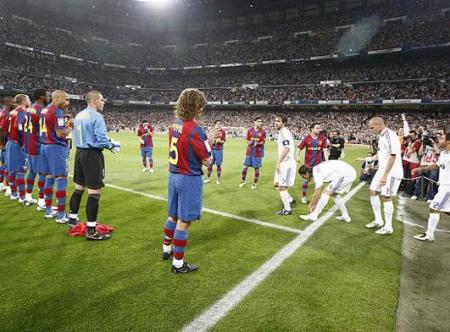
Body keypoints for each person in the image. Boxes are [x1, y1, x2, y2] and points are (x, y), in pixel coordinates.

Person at [161, 88, 211, 274]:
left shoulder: (174, 125)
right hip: (189, 177)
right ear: (196, 107)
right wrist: (210, 142)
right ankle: (178, 263)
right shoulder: (196, 130)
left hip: (173, 175)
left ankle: (166, 249)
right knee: (184, 221)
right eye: (201, 107)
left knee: (172, 215)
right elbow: (207, 160)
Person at [68, 90, 120, 240]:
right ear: (95, 101)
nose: (103, 102)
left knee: (79, 189)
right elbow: (102, 140)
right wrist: (112, 146)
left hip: (79, 153)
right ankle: (91, 231)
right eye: (102, 100)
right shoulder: (96, 116)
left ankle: (72, 222)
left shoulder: (79, 115)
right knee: (94, 192)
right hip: (91, 155)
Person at [356, 117, 404, 235]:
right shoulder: (382, 136)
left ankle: (388, 227)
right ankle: (378, 220)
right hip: (383, 171)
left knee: (386, 196)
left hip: (391, 172)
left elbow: (393, 156)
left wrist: (385, 175)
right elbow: (380, 155)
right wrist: (365, 159)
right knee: (373, 191)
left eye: (372, 127)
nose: (370, 130)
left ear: (378, 125)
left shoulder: (390, 135)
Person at [40, 90, 72, 223]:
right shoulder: (58, 112)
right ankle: (60, 215)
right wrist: (70, 126)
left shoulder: (45, 110)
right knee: (61, 178)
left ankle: (48, 210)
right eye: (66, 99)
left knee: (49, 176)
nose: (67, 103)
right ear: (57, 98)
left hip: (45, 146)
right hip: (56, 147)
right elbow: (60, 134)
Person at [413, 132, 450, 242]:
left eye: (441, 138)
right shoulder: (444, 153)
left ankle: (429, 235)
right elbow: (436, 166)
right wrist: (421, 169)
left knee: (434, 207)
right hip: (443, 186)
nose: (438, 139)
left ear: (448, 141)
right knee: (446, 211)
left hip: (448, 188)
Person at [23, 89, 48, 206]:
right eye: (46, 96)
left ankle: (28, 196)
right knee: (42, 173)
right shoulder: (40, 110)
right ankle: (42, 201)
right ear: (41, 97)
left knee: (32, 171)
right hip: (37, 145)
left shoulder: (29, 109)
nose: (48, 98)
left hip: (29, 144)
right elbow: (44, 129)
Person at [5, 94, 30, 203]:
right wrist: (23, 142)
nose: (29, 101)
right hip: (17, 144)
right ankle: (22, 197)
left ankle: (14, 194)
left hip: (10, 142)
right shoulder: (21, 112)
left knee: (12, 170)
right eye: (28, 99)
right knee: (20, 169)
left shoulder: (12, 112)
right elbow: (19, 127)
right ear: (24, 101)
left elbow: (5, 127)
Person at [297, 123, 328, 204]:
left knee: (318, 182)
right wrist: (297, 156)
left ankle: (316, 198)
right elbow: (299, 148)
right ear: (312, 129)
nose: (319, 129)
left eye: (319, 128)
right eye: (317, 128)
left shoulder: (323, 139)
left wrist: (327, 162)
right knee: (306, 181)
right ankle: (304, 197)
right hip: (308, 165)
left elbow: (325, 151)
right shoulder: (306, 138)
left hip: (318, 165)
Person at [273, 116, 297, 215]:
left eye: (278, 121)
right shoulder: (282, 132)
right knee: (276, 184)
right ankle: (290, 199)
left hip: (287, 163)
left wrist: (278, 163)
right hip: (284, 162)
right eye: (275, 121)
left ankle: (287, 210)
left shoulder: (284, 132)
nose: (275, 123)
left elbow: (287, 149)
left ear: (284, 123)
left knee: (282, 187)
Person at [239, 117, 266, 189]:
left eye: (261, 121)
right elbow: (247, 139)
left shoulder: (262, 132)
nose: (260, 122)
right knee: (245, 167)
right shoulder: (250, 130)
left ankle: (254, 184)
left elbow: (263, 141)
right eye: (258, 121)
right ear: (254, 122)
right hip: (249, 152)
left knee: (256, 169)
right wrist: (249, 142)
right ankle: (242, 182)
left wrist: (258, 143)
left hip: (257, 153)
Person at [0, 96, 16, 194]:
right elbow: (1, 130)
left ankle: (3, 184)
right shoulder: (5, 114)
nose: (14, 104)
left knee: (4, 164)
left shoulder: (4, 112)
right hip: (4, 142)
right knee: (6, 164)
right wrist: (2, 144)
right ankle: (5, 185)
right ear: (8, 103)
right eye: (13, 102)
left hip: (4, 141)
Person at [204, 120, 226, 184]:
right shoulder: (211, 131)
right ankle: (208, 179)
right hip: (212, 150)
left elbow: (223, 141)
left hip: (219, 150)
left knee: (218, 165)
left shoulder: (222, 132)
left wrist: (219, 141)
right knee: (210, 164)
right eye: (218, 124)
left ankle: (218, 179)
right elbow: (208, 139)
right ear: (215, 124)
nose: (219, 125)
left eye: (220, 124)